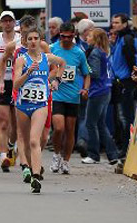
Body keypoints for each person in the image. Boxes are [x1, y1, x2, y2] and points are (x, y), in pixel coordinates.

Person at [13, 27, 65, 193]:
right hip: (22, 104)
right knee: (24, 138)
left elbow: (62, 63)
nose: (33, 41)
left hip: (40, 104)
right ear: (25, 42)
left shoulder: (47, 58)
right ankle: (26, 166)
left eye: (36, 38)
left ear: (41, 40)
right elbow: (15, 85)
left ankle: (36, 177)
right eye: (30, 39)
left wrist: (56, 80)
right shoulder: (21, 60)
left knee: (35, 140)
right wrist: (28, 72)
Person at [49, 22, 90, 174]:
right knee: (59, 128)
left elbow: (87, 74)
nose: (65, 39)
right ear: (59, 34)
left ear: (74, 36)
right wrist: (49, 80)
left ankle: (66, 161)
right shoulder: (53, 49)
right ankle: (56, 155)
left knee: (70, 130)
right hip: (57, 95)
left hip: (73, 96)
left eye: (69, 37)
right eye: (62, 36)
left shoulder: (79, 53)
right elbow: (44, 69)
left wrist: (85, 89)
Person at [82, 28, 119, 165]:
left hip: (97, 91)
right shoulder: (104, 52)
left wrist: (83, 69)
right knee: (101, 124)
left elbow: (95, 73)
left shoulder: (95, 53)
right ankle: (112, 154)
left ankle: (93, 154)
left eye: (90, 35)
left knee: (90, 123)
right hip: (106, 89)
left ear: (96, 39)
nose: (87, 37)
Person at [0, 11, 20, 172]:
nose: (7, 23)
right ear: (0, 23)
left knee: (15, 125)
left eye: (10, 21)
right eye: (4, 21)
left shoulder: (21, 39)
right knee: (3, 122)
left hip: (17, 83)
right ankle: (3, 157)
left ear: (14, 23)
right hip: (2, 83)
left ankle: (10, 146)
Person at [109, 13, 136, 159]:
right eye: (113, 22)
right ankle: (124, 147)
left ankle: (126, 149)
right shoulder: (119, 39)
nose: (114, 25)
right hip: (119, 83)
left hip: (127, 83)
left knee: (126, 118)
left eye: (117, 22)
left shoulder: (127, 39)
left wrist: (133, 74)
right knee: (121, 118)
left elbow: (131, 59)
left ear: (125, 24)